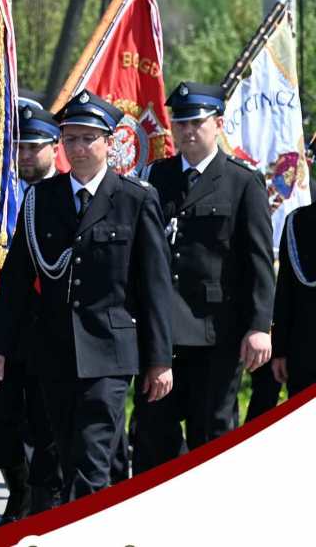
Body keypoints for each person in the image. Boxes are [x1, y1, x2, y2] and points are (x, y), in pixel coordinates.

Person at [0, 89, 175, 502]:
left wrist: (159, 359)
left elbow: (155, 285)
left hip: (109, 351)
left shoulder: (135, 199)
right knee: (66, 455)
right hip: (53, 350)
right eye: (71, 138)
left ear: (109, 142)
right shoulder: (41, 199)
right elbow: (16, 281)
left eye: (88, 138)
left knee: (92, 454)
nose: (79, 147)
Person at [129, 81, 274, 474]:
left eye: (197, 122)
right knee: (152, 436)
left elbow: (259, 259)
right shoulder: (155, 177)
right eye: (180, 123)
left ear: (218, 124)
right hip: (161, 333)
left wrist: (259, 325)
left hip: (216, 331)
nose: (188, 131)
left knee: (211, 433)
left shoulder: (242, 181)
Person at [0, 103, 64, 524]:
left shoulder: (63, 194)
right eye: (19, 147)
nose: (25, 155)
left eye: (34, 147)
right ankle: (20, 485)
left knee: (46, 423)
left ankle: (42, 501)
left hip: (49, 329)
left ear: (53, 149)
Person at [272, 203, 316, 396]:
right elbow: (284, 292)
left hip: (302, 349)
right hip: (303, 352)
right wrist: (279, 351)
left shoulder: (296, 220)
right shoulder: (297, 221)